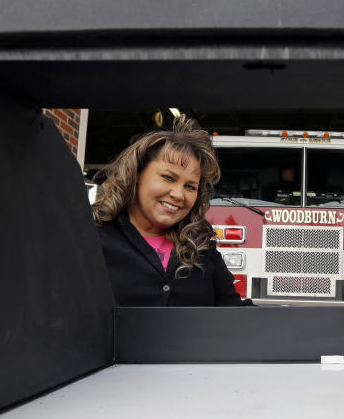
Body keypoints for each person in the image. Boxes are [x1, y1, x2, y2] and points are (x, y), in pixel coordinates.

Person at [92, 116, 252, 307]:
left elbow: (233, 314)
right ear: (135, 175)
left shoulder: (201, 249)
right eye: (168, 178)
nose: (178, 195)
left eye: (190, 187)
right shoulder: (92, 240)